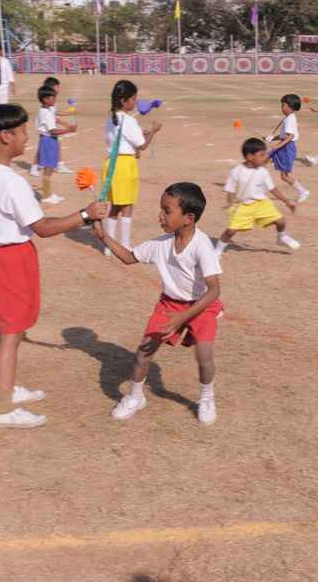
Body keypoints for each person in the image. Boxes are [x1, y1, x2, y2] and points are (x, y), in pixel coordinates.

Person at [0, 103, 108, 429]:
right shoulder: (10, 182)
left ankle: (5, 388)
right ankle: (2, 409)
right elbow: (43, 228)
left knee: (4, 328)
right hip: (9, 260)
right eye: (21, 131)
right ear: (5, 136)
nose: (26, 136)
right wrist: (86, 215)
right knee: (10, 334)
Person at [94, 182, 223, 425]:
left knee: (204, 355)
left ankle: (207, 398)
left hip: (202, 305)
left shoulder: (202, 245)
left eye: (167, 210)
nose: (160, 215)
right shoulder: (160, 244)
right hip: (169, 304)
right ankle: (135, 396)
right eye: (161, 209)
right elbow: (129, 257)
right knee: (144, 352)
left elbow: (214, 290)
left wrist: (183, 317)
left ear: (188, 218)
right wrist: (102, 236)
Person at [101, 79, 162, 255]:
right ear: (124, 100)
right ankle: (125, 245)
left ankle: (109, 245)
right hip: (125, 166)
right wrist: (154, 131)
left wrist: (142, 132)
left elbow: (121, 137)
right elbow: (142, 145)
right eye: (133, 99)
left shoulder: (111, 118)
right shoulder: (128, 121)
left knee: (115, 206)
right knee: (127, 206)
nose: (135, 102)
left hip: (112, 163)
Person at [215, 137, 300, 256]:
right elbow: (230, 190)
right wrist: (230, 203)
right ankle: (216, 252)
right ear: (250, 157)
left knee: (281, 221)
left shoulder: (263, 171)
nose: (265, 157)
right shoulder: (236, 172)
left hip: (261, 203)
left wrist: (287, 201)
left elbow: (272, 189)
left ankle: (281, 237)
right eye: (261, 155)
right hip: (243, 206)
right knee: (230, 231)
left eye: (265, 154)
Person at [35, 86, 76, 205]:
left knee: (51, 168)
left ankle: (48, 193)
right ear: (45, 99)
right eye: (52, 98)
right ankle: (46, 196)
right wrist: (69, 130)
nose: (55, 99)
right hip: (48, 140)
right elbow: (53, 131)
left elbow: (56, 114)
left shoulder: (48, 109)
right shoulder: (45, 113)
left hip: (50, 140)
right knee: (48, 170)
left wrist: (69, 114)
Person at [266, 93, 309, 203]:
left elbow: (290, 137)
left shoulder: (290, 119)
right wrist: (272, 138)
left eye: (283, 105)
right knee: (264, 160)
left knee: (285, 176)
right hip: (284, 146)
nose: (281, 108)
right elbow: (284, 135)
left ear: (290, 107)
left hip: (286, 148)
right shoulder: (288, 117)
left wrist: (276, 147)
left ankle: (303, 191)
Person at [29, 76, 73, 177]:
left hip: (49, 132)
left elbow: (55, 114)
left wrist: (68, 114)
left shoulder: (50, 103)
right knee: (43, 152)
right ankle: (37, 168)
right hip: (47, 133)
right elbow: (53, 120)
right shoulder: (48, 105)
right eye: (57, 87)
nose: (59, 90)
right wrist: (68, 128)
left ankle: (58, 165)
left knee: (54, 148)